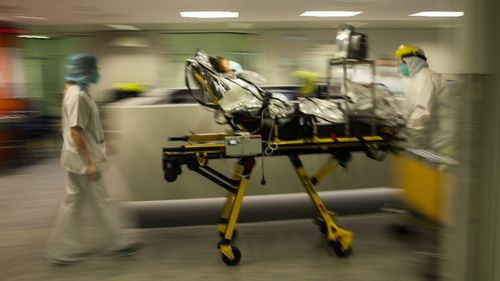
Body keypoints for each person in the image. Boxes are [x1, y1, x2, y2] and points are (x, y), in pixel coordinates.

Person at [44, 53, 142, 265]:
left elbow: (86, 128)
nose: (98, 72)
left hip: (75, 158)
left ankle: (62, 249)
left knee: (73, 203)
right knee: (102, 201)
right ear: (84, 71)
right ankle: (118, 242)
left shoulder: (77, 92)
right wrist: (88, 162)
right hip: (82, 161)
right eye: (95, 68)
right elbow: (76, 132)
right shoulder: (77, 95)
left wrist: (104, 141)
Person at [395, 44, 456, 157]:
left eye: (403, 62)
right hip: (429, 134)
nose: (400, 66)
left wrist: (408, 128)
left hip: (441, 136)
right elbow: (409, 105)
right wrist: (401, 120)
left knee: (440, 170)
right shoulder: (413, 79)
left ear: (413, 61)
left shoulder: (425, 76)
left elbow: (422, 110)